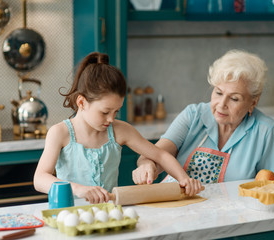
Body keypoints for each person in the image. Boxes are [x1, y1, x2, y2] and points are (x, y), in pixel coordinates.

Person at [33, 52, 203, 204]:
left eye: (116, 111)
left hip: (110, 214)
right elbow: (40, 179)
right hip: (69, 214)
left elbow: (160, 155)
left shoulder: (119, 130)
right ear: (81, 102)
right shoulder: (60, 133)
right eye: (105, 112)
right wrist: (78, 189)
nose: (111, 119)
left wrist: (184, 179)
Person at [133, 49, 274, 185]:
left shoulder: (265, 131)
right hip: (177, 209)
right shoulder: (193, 116)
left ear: (253, 102)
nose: (221, 104)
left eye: (234, 99)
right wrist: (147, 165)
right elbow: (155, 155)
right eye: (218, 93)